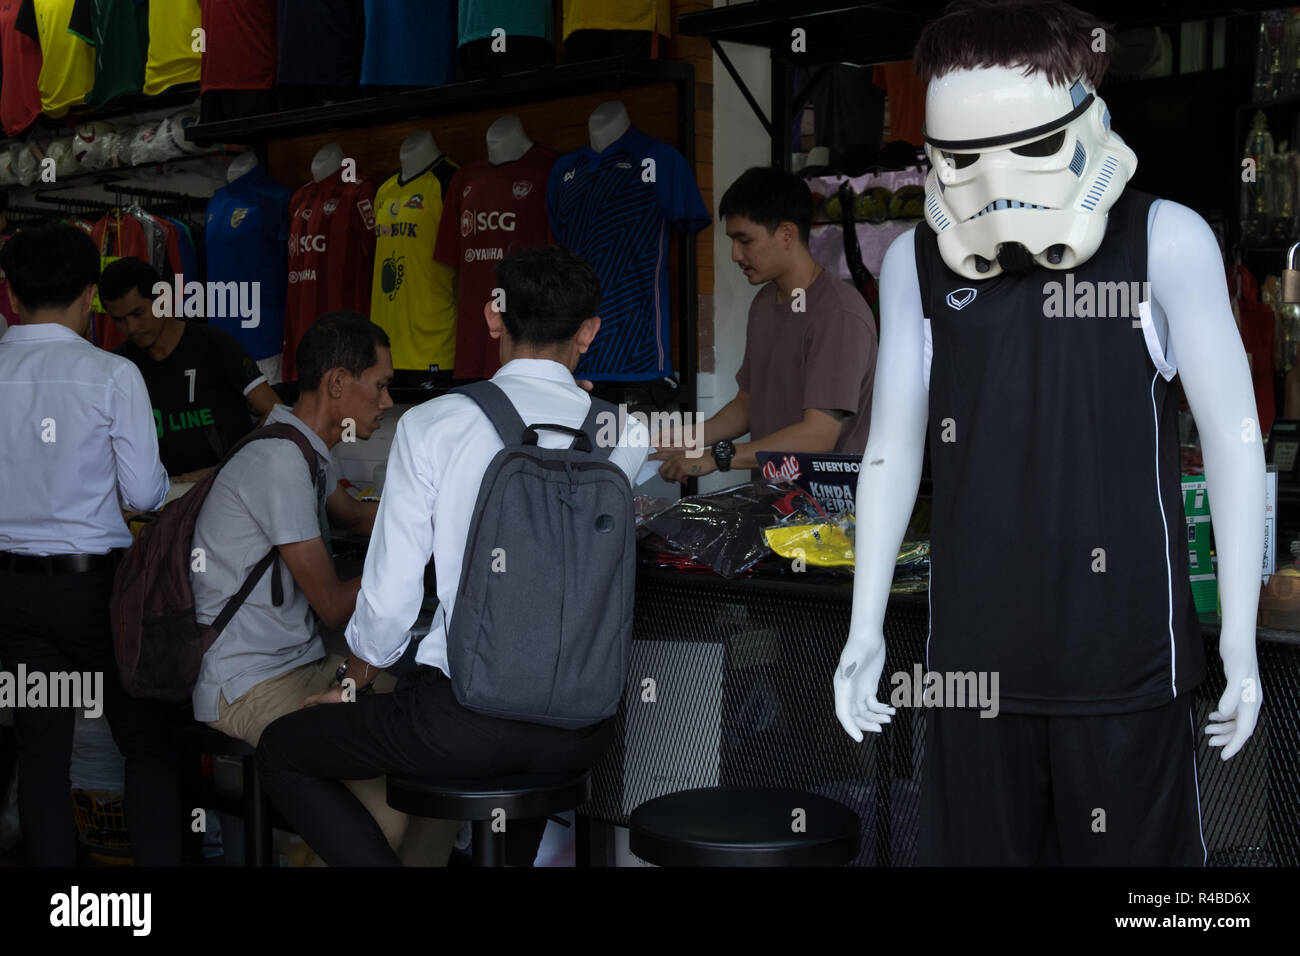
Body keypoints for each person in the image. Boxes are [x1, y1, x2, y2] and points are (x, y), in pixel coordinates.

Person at [836, 0, 1262, 865]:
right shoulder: (916, 264)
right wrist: (864, 626)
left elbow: (1235, 437)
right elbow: (890, 445)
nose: (993, 184)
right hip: (969, 666)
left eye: (1027, 146)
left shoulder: (1166, 239)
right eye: (959, 157)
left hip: (1127, 658)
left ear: (1089, 120)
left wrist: (1242, 640)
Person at [256, 245, 650, 866]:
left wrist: (353, 682)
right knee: (519, 779)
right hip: (581, 731)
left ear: (494, 318)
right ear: (590, 332)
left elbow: (390, 603)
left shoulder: (433, 423)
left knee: (281, 749)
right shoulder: (625, 433)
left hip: (462, 724)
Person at [188, 310, 449, 860]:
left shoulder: (306, 451)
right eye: (379, 386)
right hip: (249, 682)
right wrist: (410, 548)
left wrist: (444, 511)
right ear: (337, 383)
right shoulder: (279, 460)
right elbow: (332, 607)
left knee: (439, 750)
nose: (386, 402)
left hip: (300, 663)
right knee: (391, 814)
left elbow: (360, 520)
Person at [0, 224, 180, 866]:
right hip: (97, 594)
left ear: (11, 296)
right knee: (147, 747)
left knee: (41, 756)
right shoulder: (112, 374)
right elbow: (144, 495)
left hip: (13, 596)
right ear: (86, 297)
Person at [652, 166, 878, 480]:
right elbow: (748, 404)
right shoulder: (764, 302)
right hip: (772, 501)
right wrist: (690, 437)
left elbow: (818, 436)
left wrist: (718, 457)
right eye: (732, 241)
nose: (735, 254)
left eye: (744, 240)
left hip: (830, 515)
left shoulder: (838, 314)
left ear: (787, 234)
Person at [101, 257, 280, 484]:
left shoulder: (215, 345)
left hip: (228, 487)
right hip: (158, 501)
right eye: (119, 320)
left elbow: (276, 412)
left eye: (138, 314)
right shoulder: (118, 366)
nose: (131, 328)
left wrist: (223, 468)